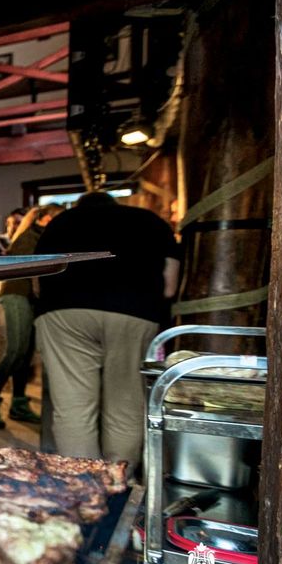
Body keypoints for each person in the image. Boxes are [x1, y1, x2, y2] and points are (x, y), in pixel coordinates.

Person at [33, 191, 181, 469]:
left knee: (72, 408)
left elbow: (38, 284)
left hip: (64, 312)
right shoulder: (151, 221)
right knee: (126, 405)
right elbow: (170, 287)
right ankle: (118, 481)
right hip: (134, 312)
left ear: (80, 206)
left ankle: (83, 483)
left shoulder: (60, 222)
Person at [0, 204, 62, 428]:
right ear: (44, 218)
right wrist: (40, 292)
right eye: (56, 218)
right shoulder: (29, 236)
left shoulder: (41, 236)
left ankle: (19, 403)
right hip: (16, 295)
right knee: (15, 350)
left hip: (28, 298)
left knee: (26, 354)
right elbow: (29, 268)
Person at [0, 207, 26, 365]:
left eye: (20, 223)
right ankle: (3, 371)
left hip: (22, 295)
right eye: (13, 222)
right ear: (7, 222)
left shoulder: (28, 242)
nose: (15, 226)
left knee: (22, 336)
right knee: (2, 335)